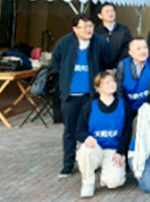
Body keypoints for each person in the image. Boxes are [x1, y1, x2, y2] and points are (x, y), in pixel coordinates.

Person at [52, 14, 111, 178]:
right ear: (75, 29)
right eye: (84, 27)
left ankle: (94, 160)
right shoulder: (65, 43)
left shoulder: (99, 43)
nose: (88, 30)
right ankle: (68, 164)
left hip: (91, 96)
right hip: (71, 96)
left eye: (90, 26)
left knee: (93, 128)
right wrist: (63, 82)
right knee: (70, 130)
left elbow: (108, 61)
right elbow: (55, 63)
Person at [75, 70, 132, 198]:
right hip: (94, 148)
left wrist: (120, 152)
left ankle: (105, 173)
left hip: (113, 150)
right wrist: (86, 138)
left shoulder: (123, 105)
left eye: (112, 81)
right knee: (86, 151)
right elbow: (79, 131)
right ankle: (88, 183)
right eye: (106, 83)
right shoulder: (89, 106)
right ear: (98, 88)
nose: (111, 84)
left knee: (114, 182)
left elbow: (127, 132)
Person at [116, 37, 150, 112]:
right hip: (129, 107)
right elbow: (119, 90)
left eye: (145, 48)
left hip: (149, 108)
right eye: (138, 49)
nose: (143, 51)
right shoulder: (123, 65)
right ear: (130, 53)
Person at [94, 2, 133, 68]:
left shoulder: (124, 30)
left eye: (112, 11)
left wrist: (117, 67)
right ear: (100, 15)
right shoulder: (96, 32)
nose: (110, 13)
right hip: (101, 69)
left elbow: (127, 48)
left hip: (120, 68)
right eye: (107, 11)